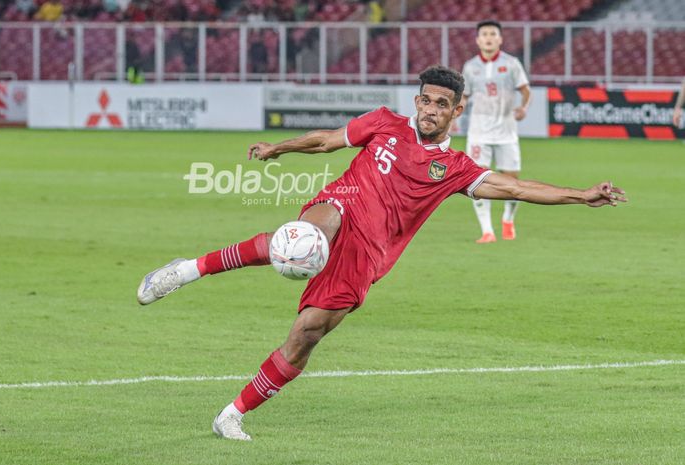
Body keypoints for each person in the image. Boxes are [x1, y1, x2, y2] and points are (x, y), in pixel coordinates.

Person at [136, 65, 626, 441]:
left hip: (369, 258)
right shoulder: (383, 122)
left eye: (441, 104)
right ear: (416, 100)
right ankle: (186, 270)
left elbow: (513, 187)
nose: (430, 109)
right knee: (305, 237)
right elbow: (328, 141)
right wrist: (279, 148)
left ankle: (232, 414)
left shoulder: (454, 167)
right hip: (338, 208)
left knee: (305, 336)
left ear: (457, 112)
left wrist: (580, 195)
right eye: (426, 100)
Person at [461, 20, 531, 243]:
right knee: (477, 180)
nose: (489, 37)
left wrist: (523, 108)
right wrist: (453, 114)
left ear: (500, 39)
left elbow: (526, 90)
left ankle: (508, 219)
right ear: (478, 40)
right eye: (484, 34)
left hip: (506, 131)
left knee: (512, 182)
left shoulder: (511, 64)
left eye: (493, 34)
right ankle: (487, 231)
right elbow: (464, 95)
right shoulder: (470, 67)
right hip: (479, 132)